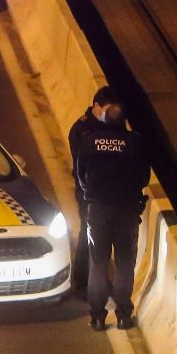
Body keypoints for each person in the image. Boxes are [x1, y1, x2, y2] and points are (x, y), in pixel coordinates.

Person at [72, 93, 149, 330]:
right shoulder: (136, 143)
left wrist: (93, 194)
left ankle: (97, 316)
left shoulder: (88, 141)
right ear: (125, 121)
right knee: (125, 262)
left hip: (98, 209)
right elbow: (143, 177)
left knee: (98, 262)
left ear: (104, 119)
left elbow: (81, 175)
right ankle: (124, 314)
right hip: (126, 209)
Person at [67, 85, 121, 291]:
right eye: (108, 109)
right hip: (88, 189)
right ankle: (81, 279)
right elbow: (83, 162)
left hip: (111, 188)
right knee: (88, 232)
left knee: (105, 233)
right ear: (96, 106)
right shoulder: (81, 129)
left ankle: (99, 277)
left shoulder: (115, 123)